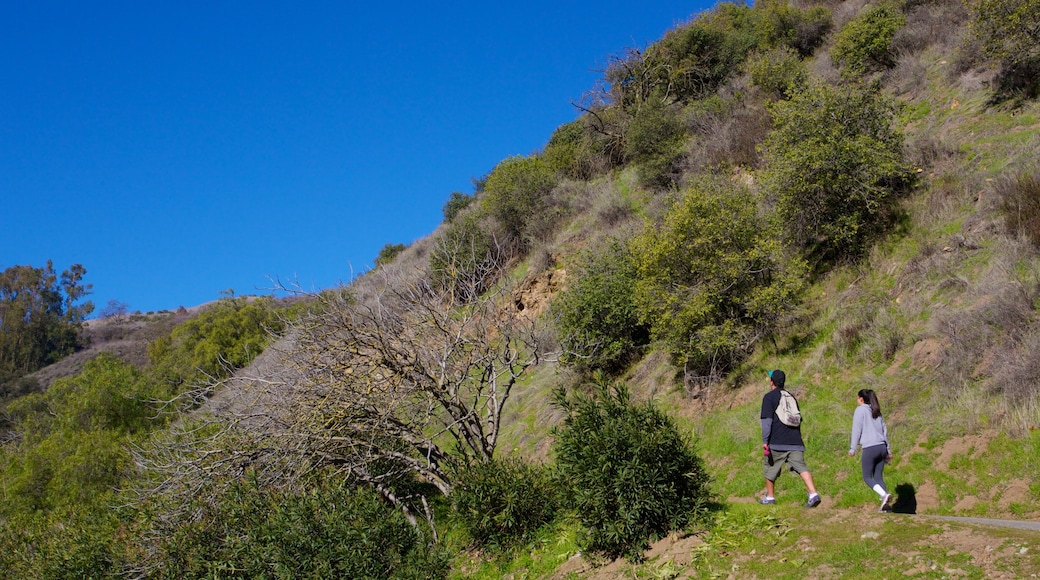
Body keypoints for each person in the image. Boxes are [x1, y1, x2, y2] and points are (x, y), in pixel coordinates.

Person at [759, 369, 821, 507]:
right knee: (801, 467)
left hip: (777, 441)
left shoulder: (769, 398)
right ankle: (813, 493)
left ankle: (770, 497)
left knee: (770, 469)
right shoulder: (791, 396)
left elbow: (767, 421)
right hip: (795, 441)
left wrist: (765, 441)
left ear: (772, 382)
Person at [849, 388, 893, 512]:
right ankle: (886, 507)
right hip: (882, 447)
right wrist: (888, 450)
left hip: (870, 448)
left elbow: (856, 430)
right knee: (878, 477)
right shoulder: (876, 411)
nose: (856, 400)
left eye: (857, 398)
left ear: (861, 399)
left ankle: (884, 495)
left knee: (867, 477)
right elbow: (884, 432)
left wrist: (853, 448)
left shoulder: (860, 410)